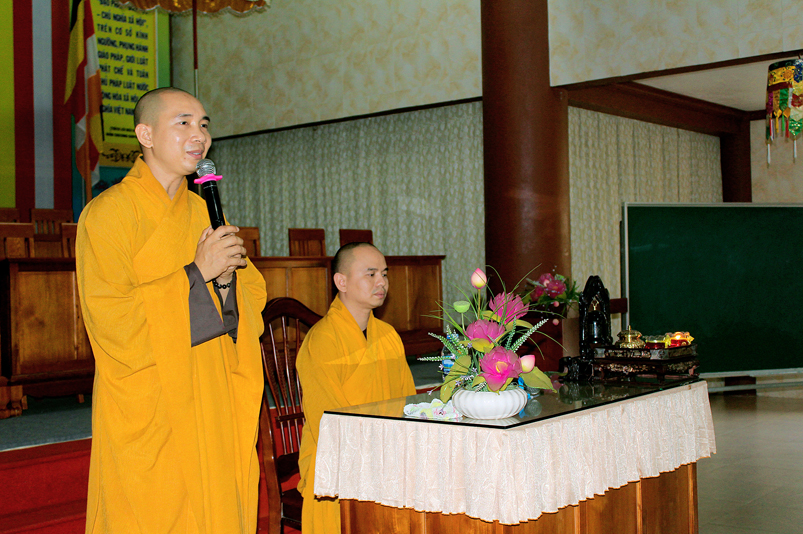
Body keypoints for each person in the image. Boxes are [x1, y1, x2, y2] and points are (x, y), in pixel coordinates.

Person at [76, 87, 267, 534]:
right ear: (145, 134)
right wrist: (197, 274)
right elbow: (111, 320)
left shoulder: (205, 212)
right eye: (183, 123)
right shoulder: (107, 215)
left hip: (209, 389)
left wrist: (224, 281)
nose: (199, 135)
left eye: (204, 124)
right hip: (150, 397)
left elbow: (250, 296)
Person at [295, 242, 416, 533]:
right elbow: (328, 421)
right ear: (342, 282)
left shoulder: (388, 336)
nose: (381, 282)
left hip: (389, 455)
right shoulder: (323, 340)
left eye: (384, 274)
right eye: (371, 274)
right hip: (341, 462)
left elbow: (408, 403)